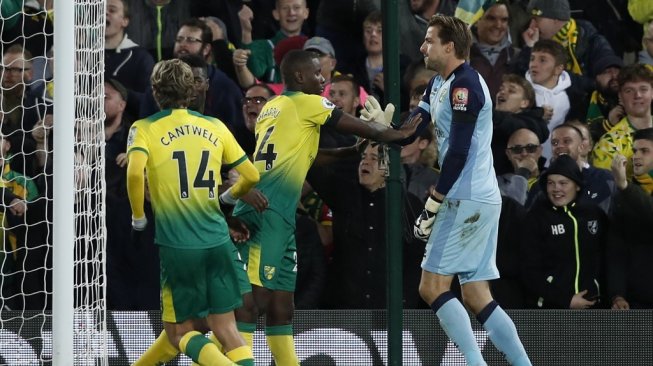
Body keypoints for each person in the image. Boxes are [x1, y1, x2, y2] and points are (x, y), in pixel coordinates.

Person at [229, 49, 420, 366]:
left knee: (281, 305)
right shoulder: (311, 103)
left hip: (274, 211)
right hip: (269, 210)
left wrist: (349, 152)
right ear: (300, 77)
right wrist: (399, 134)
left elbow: (309, 156)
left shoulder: (273, 108)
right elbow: (361, 126)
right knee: (255, 301)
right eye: (318, 74)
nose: (323, 80)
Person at [410, 15, 531, 366]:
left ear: (449, 46)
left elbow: (460, 151)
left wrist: (435, 200)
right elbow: (413, 128)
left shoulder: (466, 86)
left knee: (431, 287)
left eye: (429, 40)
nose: (423, 47)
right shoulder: (437, 83)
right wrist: (379, 128)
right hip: (479, 197)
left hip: (465, 197)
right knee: (476, 294)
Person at [126, 59, 258, 366]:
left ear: (155, 91)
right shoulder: (215, 126)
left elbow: (134, 175)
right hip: (217, 239)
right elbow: (250, 176)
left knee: (179, 333)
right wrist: (226, 198)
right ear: (193, 89)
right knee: (225, 327)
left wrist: (138, 217)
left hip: (180, 245)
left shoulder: (145, 127)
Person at [521, 155, 607, 309]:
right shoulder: (535, 218)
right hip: (548, 310)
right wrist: (566, 300)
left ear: (577, 185)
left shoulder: (594, 214)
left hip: (593, 305)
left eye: (563, 183)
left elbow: (608, 259)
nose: (556, 189)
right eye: (550, 183)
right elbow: (528, 271)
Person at [608, 127, 653, 309]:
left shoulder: (626, 190)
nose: (636, 156)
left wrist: (626, 187)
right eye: (634, 150)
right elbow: (616, 248)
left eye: (644, 151)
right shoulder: (623, 194)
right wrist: (617, 294)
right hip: (636, 300)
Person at [592, 64, 653, 180]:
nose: (637, 95)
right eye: (629, 91)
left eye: (643, 89)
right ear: (620, 96)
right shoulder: (608, 144)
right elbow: (605, 192)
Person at [469, 1, 520, 100]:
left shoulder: (517, 56)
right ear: (476, 21)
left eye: (504, 20)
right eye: (491, 18)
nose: (498, 25)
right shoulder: (460, 53)